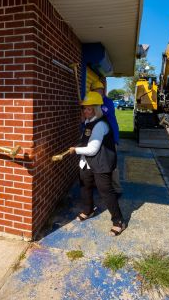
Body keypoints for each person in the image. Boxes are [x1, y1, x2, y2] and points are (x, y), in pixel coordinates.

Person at [69, 91, 126, 236]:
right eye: (84, 108)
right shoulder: (89, 122)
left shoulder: (100, 124)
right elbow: (87, 141)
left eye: (89, 108)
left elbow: (93, 149)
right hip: (87, 162)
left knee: (106, 192)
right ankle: (88, 210)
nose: (86, 111)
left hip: (101, 162)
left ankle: (119, 221)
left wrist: (76, 150)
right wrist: (80, 146)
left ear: (96, 109)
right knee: (85, 186)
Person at [90, 80, 122, 195]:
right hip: (98, 138)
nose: (98, 92)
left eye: (99, 90)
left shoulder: (107, 102)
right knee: (97, 161)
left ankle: (117, 189)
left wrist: (90, 107)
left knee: (112, 164)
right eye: (95, 91)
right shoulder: (93, 102)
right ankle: (96, 183)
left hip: (111, 137)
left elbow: (101, 114)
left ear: (102, 91)